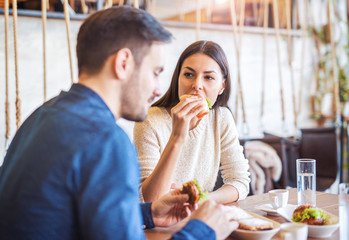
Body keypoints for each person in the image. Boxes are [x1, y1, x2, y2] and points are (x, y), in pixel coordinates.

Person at [0, 7, 239, 240]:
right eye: (155, 72)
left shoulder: (40, 115)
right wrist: (203, 230)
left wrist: (148, 213)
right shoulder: (106, 140)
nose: (157, 89)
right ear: (123, 62)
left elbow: (70, 214)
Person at [134, 40, 250, 204]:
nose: (197, 85)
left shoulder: (221, 118)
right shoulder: (150, 121)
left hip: (197, 214)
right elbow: (150, 200)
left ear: (222, 86)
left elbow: (240, 181)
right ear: (177, 78)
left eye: (208, 77)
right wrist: (177, 137)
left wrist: (199, 199)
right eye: (188, 74)